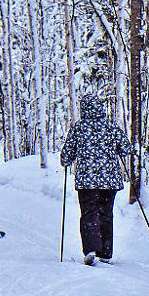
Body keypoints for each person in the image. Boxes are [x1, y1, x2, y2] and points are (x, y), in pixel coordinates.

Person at [60, 93, 130, 265]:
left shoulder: (79, 127)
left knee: (89, 213)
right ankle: (105, 253)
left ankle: (90, 249)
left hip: (87, 181)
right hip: (110, 180)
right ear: (99, 107)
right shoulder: (111, 125)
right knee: (106, 213)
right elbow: (126, 148)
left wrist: (66, 160)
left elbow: (66, 156)